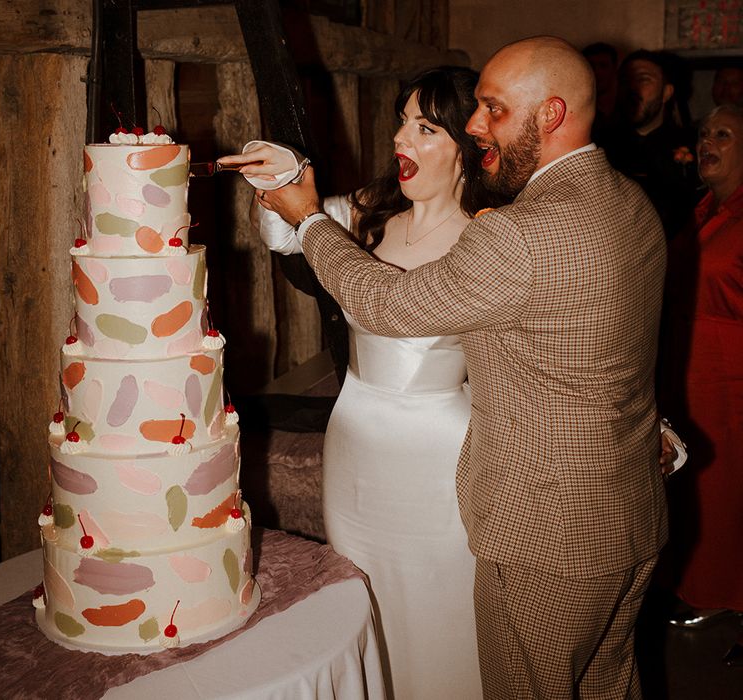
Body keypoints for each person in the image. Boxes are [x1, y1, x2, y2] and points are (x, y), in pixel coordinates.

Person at [251, 36, 669, 698]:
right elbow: (598, 347)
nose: (476, 127)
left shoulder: (515, 234)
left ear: (552, 114)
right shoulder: (630, 204)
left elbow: (383, 302)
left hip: (545, 537)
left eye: (493, 110)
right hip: (629, 518)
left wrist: (307, 220)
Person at [224, 66, 500, 699]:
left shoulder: (490, 240)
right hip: (353, 443)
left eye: (426, 127)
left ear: (466, 147)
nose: (402, 139)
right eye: (402, 122)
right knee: (360, 599)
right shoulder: (370, 215)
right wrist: (287, 176)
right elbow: (288, 232)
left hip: (438, 458)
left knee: (437, 610)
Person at [658, 105, 743, 661]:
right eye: (703, 132)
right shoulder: (703, 208)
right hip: (690, 375)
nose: (706, 141)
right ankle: (708, 590)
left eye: (723, 134)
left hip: (733, 380)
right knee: (705, 495)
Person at [601, 49, 700, 240]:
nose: (632, 89)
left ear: (666, 92)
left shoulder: (691, 144)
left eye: (643, 79)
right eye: (625, 81)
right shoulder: (602, 145)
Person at [582, 41, 619, 142]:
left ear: (614, 69)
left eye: (603, 65)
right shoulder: (580, 112)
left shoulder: (628, 109)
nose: (597, 72)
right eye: (592, 66)